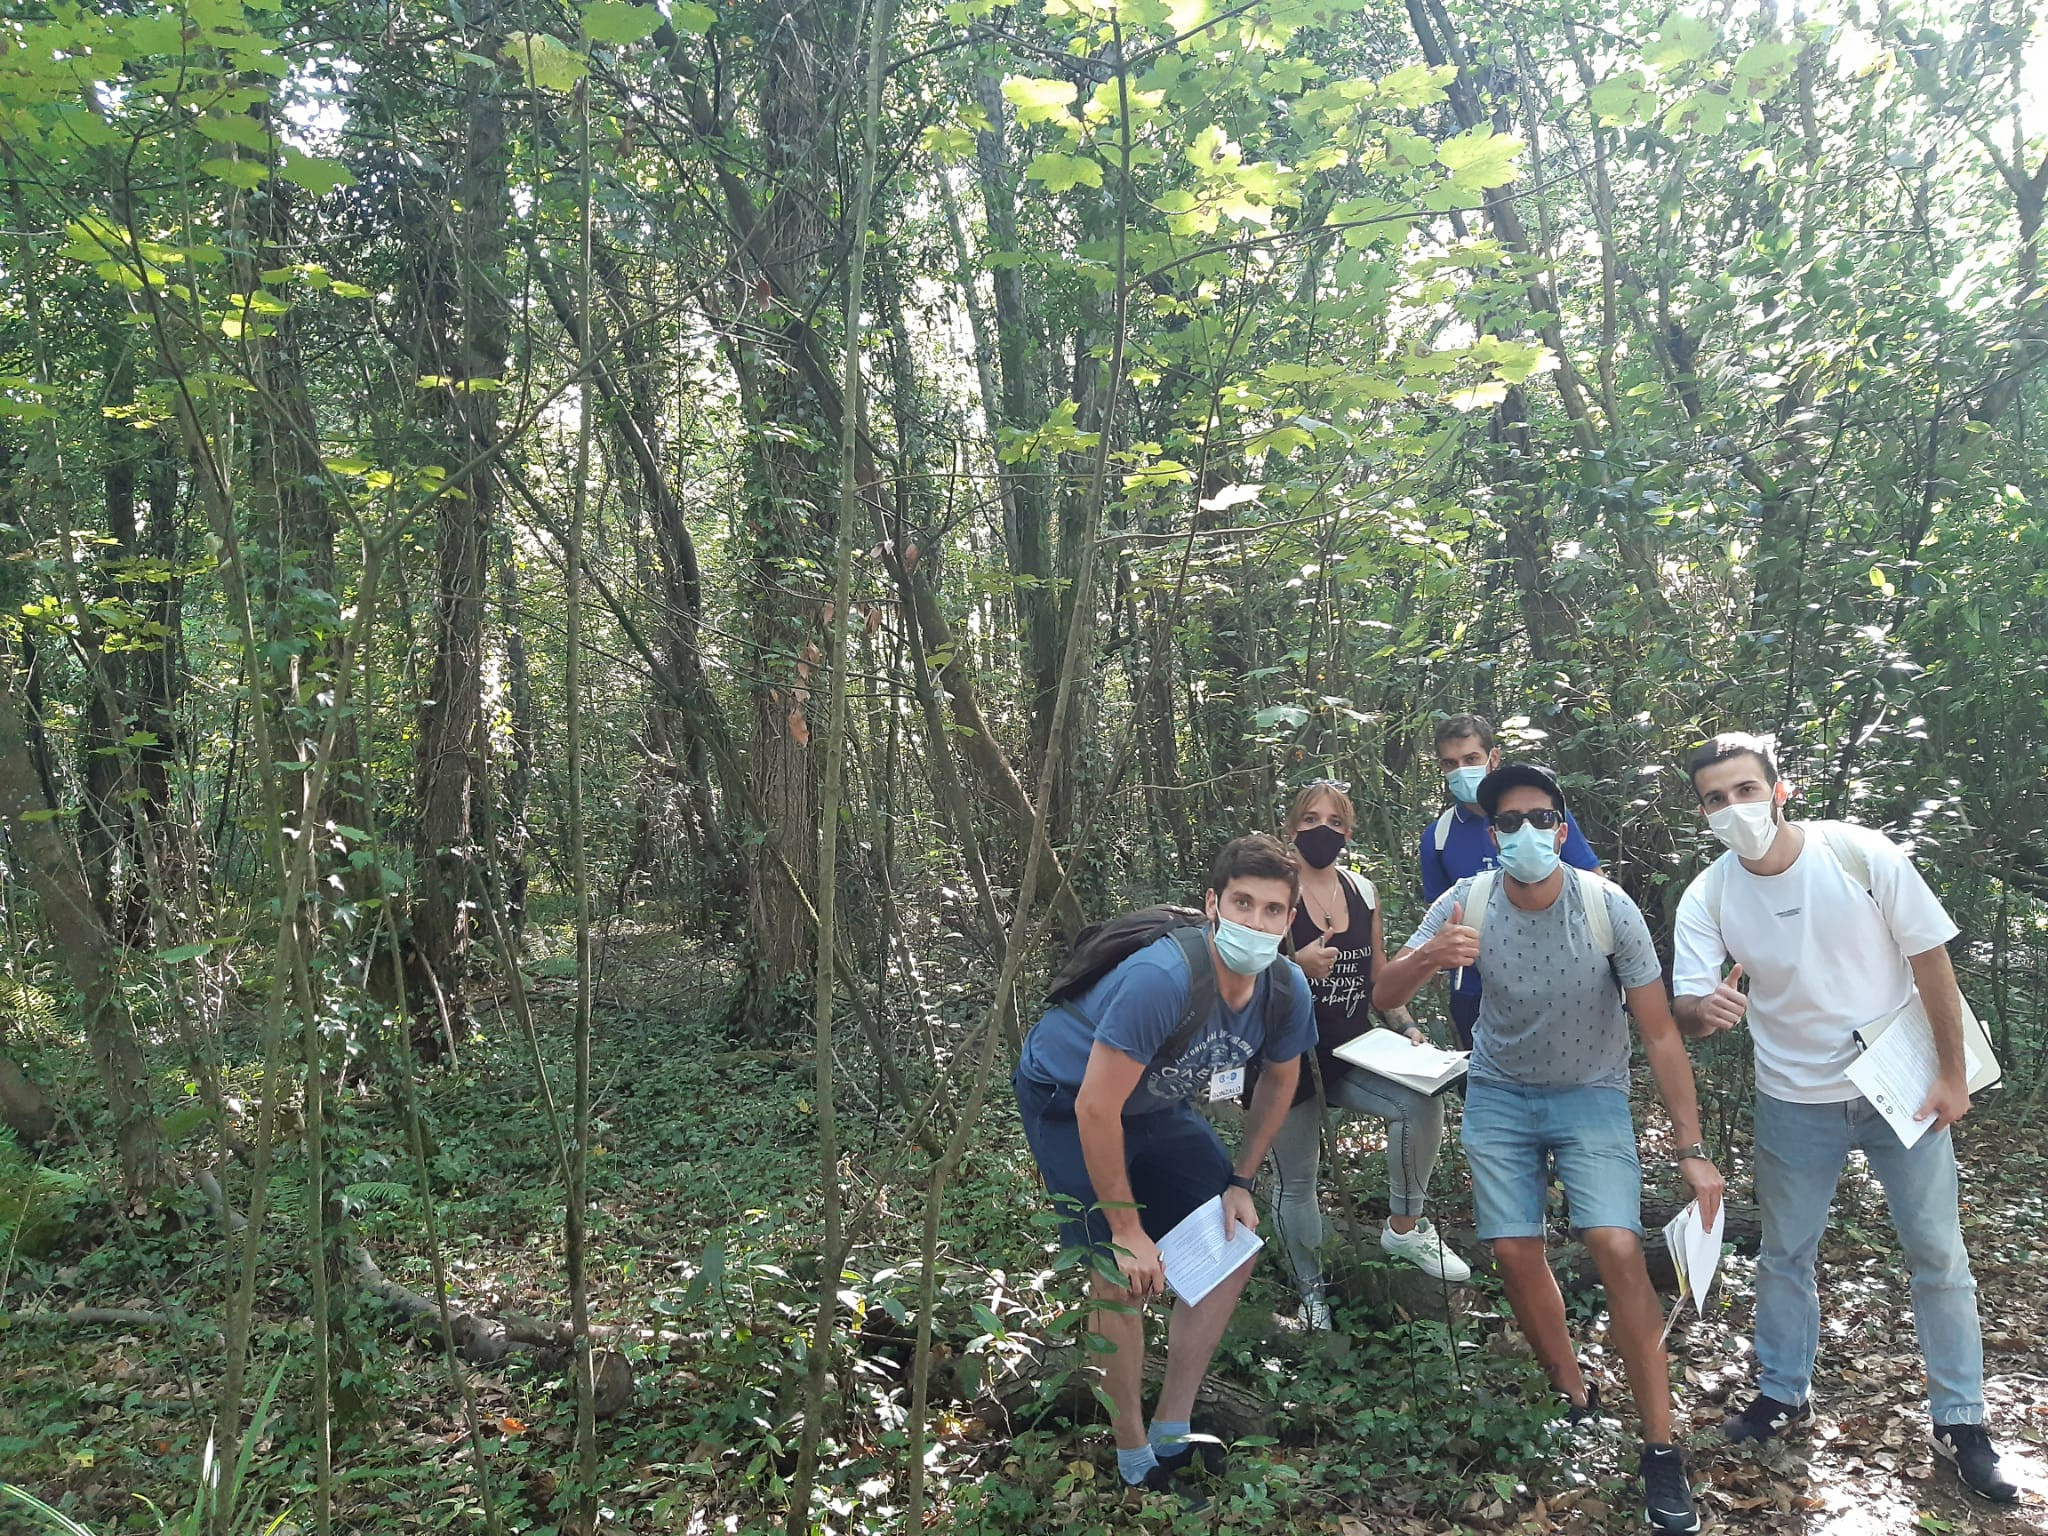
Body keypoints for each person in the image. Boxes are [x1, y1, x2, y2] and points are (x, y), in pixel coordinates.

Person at [1375, 763, 1723, 1536]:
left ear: (1561, 829)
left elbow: (1660, 1030)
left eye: (1539, 817)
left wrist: (1691, 1147)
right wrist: (1434, 957)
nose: (1525, 832)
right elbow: (1385, 994)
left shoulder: (1607, 907)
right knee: (1512, 1251)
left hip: (1591, 1093)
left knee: (1615, 1245)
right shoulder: (1463, 902)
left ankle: (1659, 1449)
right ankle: (1571, 1388)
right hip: (1499, 1092)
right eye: (1508, 822)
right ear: (1491, 834)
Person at [1671, 733, 2018, 1502]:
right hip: (1794, 1099)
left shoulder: (1860, 856)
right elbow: (1687, 1008)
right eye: (1716, 800)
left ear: (1779, 789)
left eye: (1745, 791)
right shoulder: (1710, 894)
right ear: (1702, 812)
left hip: (1901, 1087)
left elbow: (1931, 958)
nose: (1734, 809)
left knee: (1937, 1254)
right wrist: (1705, 1008)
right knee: (1786, 1252)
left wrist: (1953, 1076)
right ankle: (1782, 1395)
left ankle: (1961, 1421)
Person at [1013, 834, 1316, 1500]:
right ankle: (1131, 1453)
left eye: (1272, 910)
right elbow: (1097, 1107)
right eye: (1243, 903)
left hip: (1155, 1101)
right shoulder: (1163, 979)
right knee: (1117, 1279)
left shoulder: (1286, 990)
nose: (1256, 922)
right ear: (1213, 903)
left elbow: (1278, 1084)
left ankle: (1171, 1429)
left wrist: (1240, 1180)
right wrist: (1126, 1230)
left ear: (1290, 920)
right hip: (1068, 1100)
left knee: (1231, 1248)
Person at [1267, 779, 1471, 1330]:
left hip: (1353, 1048)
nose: (1321, 831)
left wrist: (1404, 1026)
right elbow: (1236, 976)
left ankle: (1404, 1229)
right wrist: (1292, 965)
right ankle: (1311, 1293)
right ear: (1292, 827)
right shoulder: (1274, 890)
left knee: (1421, 1105)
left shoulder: (1363, 892)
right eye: (1310, 820)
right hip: (1284, 1057)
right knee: (1296, 1181)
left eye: (1334, 822)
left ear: (1348, 832)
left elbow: (1379, 977)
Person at [1421, 715, 1599, 1048]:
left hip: (1554, 980)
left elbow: (1595, 888)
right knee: (1481, 1083)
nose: (1461, 770)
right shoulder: (1438, 837)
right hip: (1474, 989)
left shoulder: (1544, 818)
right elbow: (1437, 919)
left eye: (1471, 759)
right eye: (1450, 763)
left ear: (1494, 757)